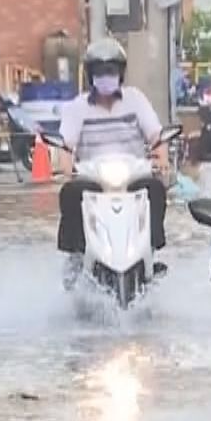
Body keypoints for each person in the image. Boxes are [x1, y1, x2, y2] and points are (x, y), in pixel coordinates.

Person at [55, 37, 172, 287]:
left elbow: (156, 136)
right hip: (92, 178)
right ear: (90, 75)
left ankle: (151, 249)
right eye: (100, 71)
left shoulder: (136, 100)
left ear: (120, 73)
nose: (106, 77)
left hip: (133, 175)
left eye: (111, 71)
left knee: (155, 189)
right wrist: (66, 168)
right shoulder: (77, 107)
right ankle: (76, 253)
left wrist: (162, 159)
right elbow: (66, 146)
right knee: (70, 193)